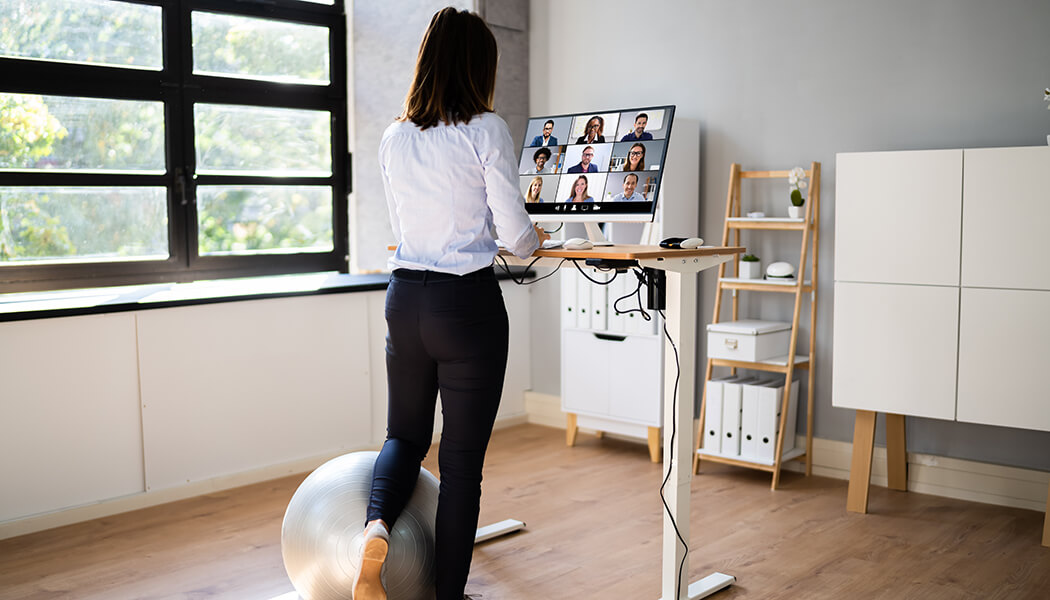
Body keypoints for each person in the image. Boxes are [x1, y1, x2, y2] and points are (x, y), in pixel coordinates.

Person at [360, 8, 549, 600]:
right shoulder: (485, 127)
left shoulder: (396, 135)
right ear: (479, 68)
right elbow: (517, 240)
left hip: (404, 299)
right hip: (465, 307)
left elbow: (404, 224)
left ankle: (375, 529)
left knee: (404, 437)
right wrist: (537, 239)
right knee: (462, 462)